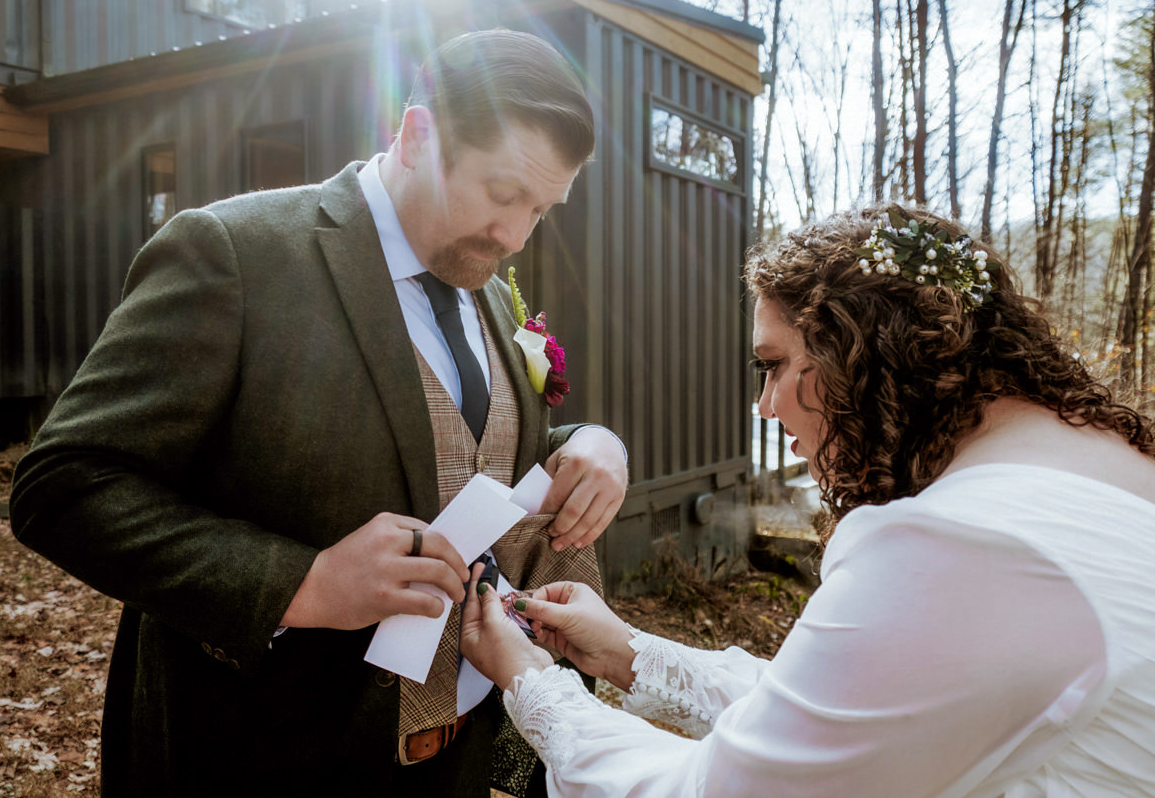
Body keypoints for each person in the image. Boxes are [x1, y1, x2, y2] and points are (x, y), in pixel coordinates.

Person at [9, 29, 627, 797]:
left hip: (453, 765)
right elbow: (63, 483)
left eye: (541, 208)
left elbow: (472, 446)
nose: (513, 236)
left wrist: (593, 443)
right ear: (416, 135)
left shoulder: (492, 292)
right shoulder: (233, 253)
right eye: (502, 193)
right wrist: (303, 582)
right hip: (263, 758)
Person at [461, 203, 1155, 796]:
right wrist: (627, 652)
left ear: (870, 352)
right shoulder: (1098, 459)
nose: (764, 406)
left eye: (773, 367)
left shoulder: (963, 544)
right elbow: (846, 715)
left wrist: (531, 682)